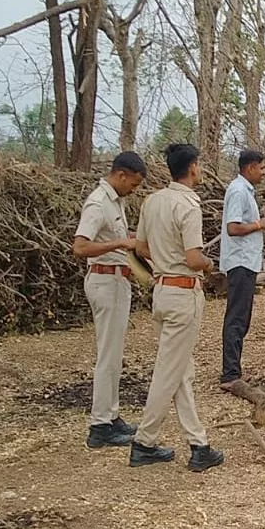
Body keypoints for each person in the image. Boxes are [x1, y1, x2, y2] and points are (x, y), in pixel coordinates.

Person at [130, 143, 224, 472]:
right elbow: (194, 258)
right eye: (199, 165)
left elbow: (140, 247)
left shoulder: (152, 201)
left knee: (181, 370)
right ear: (193, 167)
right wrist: (213, 266)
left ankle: (199, 445)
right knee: (169, 372)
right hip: (184, 294)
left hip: (161, 291)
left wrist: (164, 262)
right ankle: (144, 441)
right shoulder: (188, 205)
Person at [72, 151, 147, 449]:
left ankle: (111, 414)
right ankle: (99, 425)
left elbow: (117, 235)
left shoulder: (115, 202)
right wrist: (119, 243)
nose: (134, 189)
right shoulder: (98, 203)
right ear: (121, 175)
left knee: (115, 354)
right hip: (104, 280)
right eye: (134, 183)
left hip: (118, 280)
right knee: (107, 354)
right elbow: (80, 247)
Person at [220, 150, 265, 389]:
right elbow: (232, 227)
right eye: (262, 168)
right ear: (250, 167)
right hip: (239, 262)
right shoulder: (238, 191)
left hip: (248, 262)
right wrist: (258, 224)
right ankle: (229, 373)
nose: (264, 173)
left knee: (243, 317)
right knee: (237, 317)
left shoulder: (246, 192)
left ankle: (234, 369)